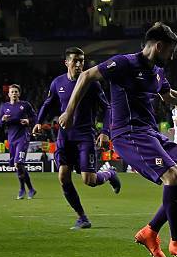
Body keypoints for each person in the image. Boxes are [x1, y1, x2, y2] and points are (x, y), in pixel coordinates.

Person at [58, 22, 177, 257]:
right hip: (128, 134)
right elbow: (86, 75)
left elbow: (169, 96)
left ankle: (150, 232)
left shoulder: (157, 71)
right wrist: (70, 111)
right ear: (158, 46)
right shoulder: (124, 63)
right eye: (170, 51)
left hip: (150, 132)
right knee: (173, 176)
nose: (172, 56)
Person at [34, 47, 121, 229]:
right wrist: (38, 122)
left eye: (82, 60)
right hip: (64, 137)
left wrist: (105, 131)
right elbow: (48, 104)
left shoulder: (92, 83)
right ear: (67, 62)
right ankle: (82, 217)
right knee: (63, 176)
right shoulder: (57, 83)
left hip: (84, 137)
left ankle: (109, 173)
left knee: (89, 180)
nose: (80, 64)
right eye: (75, 60)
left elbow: (108, 108)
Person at [0, 84, 37, 200]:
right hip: (11, 139)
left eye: (16, 92)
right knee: (18, 166)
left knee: (18, 163)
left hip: (23, 137)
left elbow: (35, 118)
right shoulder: (4, 107)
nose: (14, 93)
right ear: (8, 94)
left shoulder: (25, 105)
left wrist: (28, 121)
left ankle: (23, 189)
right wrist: (2, 120)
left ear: (19, 94)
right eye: (12, 92)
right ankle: (30, 189)